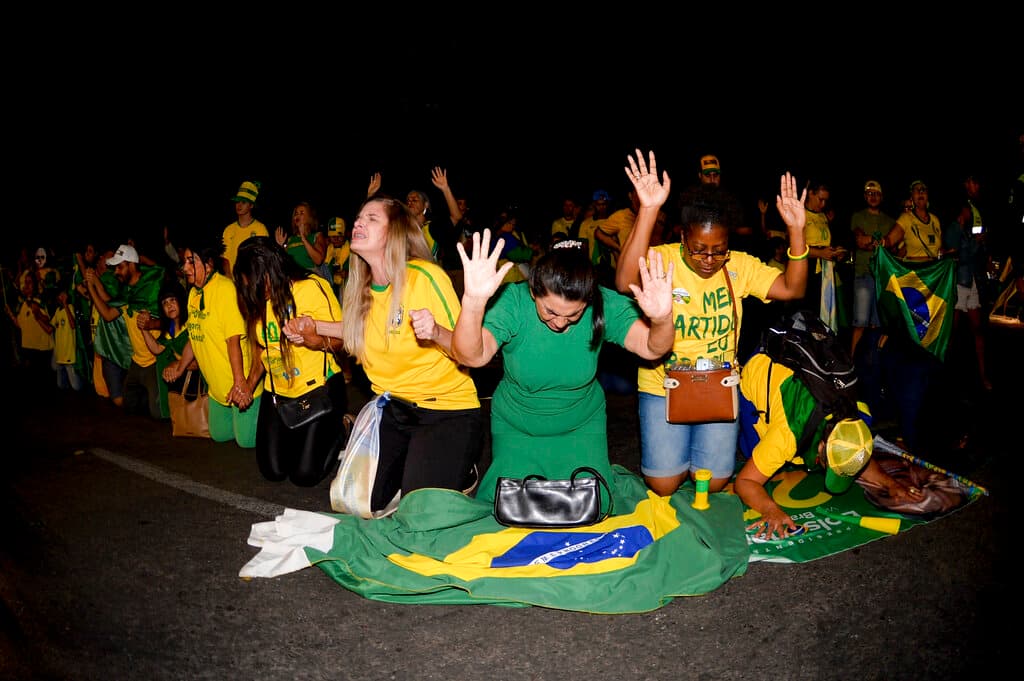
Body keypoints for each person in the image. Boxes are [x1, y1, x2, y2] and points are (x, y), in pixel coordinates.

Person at [615, 148, 810, 497]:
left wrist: (797, 230)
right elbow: (624, 279)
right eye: (698, 249)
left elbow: (792, 287)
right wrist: (647, 210)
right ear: (683, 238)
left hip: (719, 386)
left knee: (716, 481)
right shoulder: (663, 258)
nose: (709, 259)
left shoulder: (740, 265)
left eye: (718, 250)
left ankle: (695, 450)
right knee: (663, 485)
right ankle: (675, 452)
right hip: (665, 384)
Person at [283, 194, 482, 511]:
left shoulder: (425, 278)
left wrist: (437, 332)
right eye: (359, 217)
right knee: (357, 503)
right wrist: (314, 326)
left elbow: (468, 353)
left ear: (395, 233)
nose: (359, 222)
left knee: (420, 512)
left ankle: (458, 471)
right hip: (393, 409)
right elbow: (360, 327)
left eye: (372, 218)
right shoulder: (361, 288)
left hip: (444, 409)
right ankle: (415, 463)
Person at [451, 231, 674, 510]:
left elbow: (652, 348)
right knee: (513, 507)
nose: (560, 323)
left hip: (581, 425)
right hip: (518, 426)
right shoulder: (514, 301)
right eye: (550, 311)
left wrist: (663, 318)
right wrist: (473, 301)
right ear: (533, 290)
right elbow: (470, 355)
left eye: (573, 315)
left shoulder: (602, 303)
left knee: (592, 506)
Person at [734, 350, 923, 539]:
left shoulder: (859, 421)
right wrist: (770, 509)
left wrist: (891, 484)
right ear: (821, 447)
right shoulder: (787, 434)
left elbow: (856, 456)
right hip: (759, 367)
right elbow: (745, 482)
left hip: (806, 377)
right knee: (752, 452)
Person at [233, 236, 346, 486]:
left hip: (318, 390)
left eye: (256, 281)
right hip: (277, 393)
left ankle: (340, 429)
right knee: (273, 471)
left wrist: (311, 340)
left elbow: (342, 341)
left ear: (271, 268)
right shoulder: (257, 299)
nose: (254, 290)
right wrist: (248, 385)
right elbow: (261, 346)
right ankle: (304, 437)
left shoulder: (310, 287)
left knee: (304, 476)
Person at [167, 242, 262, 449]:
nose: (185, 268)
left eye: (191, 262)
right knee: (219, 435)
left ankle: (270, 417)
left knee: (245, 441)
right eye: (184, 262)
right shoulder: (193, 294)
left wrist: (240, 383)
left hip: (240, 384)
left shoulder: (225, 290)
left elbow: (233, 341)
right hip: (217, 389)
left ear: (208, 265)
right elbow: (194, 336)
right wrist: (180, 367)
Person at [85, 244, 166, 418]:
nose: (116, 272)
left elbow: (171, 321)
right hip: (137, 363)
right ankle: (150, 393)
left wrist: (152, 323)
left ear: (131, 264)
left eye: (120, 267)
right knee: (128, 406)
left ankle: (158, 393)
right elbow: (107, 313)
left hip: (154, 361)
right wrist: (92, 286)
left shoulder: (153, 289)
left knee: (158, 414)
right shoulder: (127, 293)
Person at [849, 180, 897, 356]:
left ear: (882, 197)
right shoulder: (858, 216)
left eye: (876, 193)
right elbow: (860, 241)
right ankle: (851, 362)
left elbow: (895, 247)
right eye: (869, 193)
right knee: (860, 321)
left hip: (883, 278)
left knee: (878, 323)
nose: (873, 197)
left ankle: (874, 359)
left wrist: (876, 243)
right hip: (864, 273)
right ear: (864, 196)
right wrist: (880, 243)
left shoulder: (890, 221)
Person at [138, 283, 194, 420]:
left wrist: (177, 365)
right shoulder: (170, 328)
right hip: (179, 379)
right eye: (165, 303)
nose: (169, 306)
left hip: (194, 379)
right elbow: (157, 349)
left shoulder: (192, 325)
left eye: (173, 300)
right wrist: (143, 329)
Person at [802, 179, 848, 333]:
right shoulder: (800, 214)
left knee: (824, 316)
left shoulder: (823, 216)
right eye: (820, 199)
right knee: (809, 316)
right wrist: (820, 253)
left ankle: (823, 348)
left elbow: (824, 242)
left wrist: (835, 253)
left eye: (826, 201)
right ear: (810, 194)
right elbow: (794, 248)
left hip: (824, 272)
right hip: (806, 271)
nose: (823, 204)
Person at [886, 180, 945, 263]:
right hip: (915, 272)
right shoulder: (905, 218)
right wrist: (879, 242)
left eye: (923, 190)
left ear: (927, 196)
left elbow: (940, 248)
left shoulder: (935, 220)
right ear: (912, 197)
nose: (920, 192)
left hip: (933, 272)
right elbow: (889, 241)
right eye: (916, 190)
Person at [222, 180, 270, 277]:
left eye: (243, 202)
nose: (239, 205)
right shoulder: (229, 229)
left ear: (251, 205)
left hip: (253, 280)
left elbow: (264, 257)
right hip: (232, 281)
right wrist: (228, 276)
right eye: (237, 202)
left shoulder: (260, 229)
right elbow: (224, 257)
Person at [275, 200, 328, 276]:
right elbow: (283, 262)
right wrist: (281, 246)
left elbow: (318, 260)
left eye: (301, 213)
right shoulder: (291, 239)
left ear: (310, 217)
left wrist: (303, 238)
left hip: (309, 276)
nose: (297, 216)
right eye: (296, 213)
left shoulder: (317, 236)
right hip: (292, 277)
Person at [51, 289, 83, 391]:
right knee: (60, 385)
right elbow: (50, 327)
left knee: (77, 387)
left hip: (69, 353)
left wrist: (65, 304)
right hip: (60, 354)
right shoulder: (57, 311)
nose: (60, 297)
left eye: (62, 295)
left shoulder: (70, 307)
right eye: (59, 296)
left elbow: (73, 325)